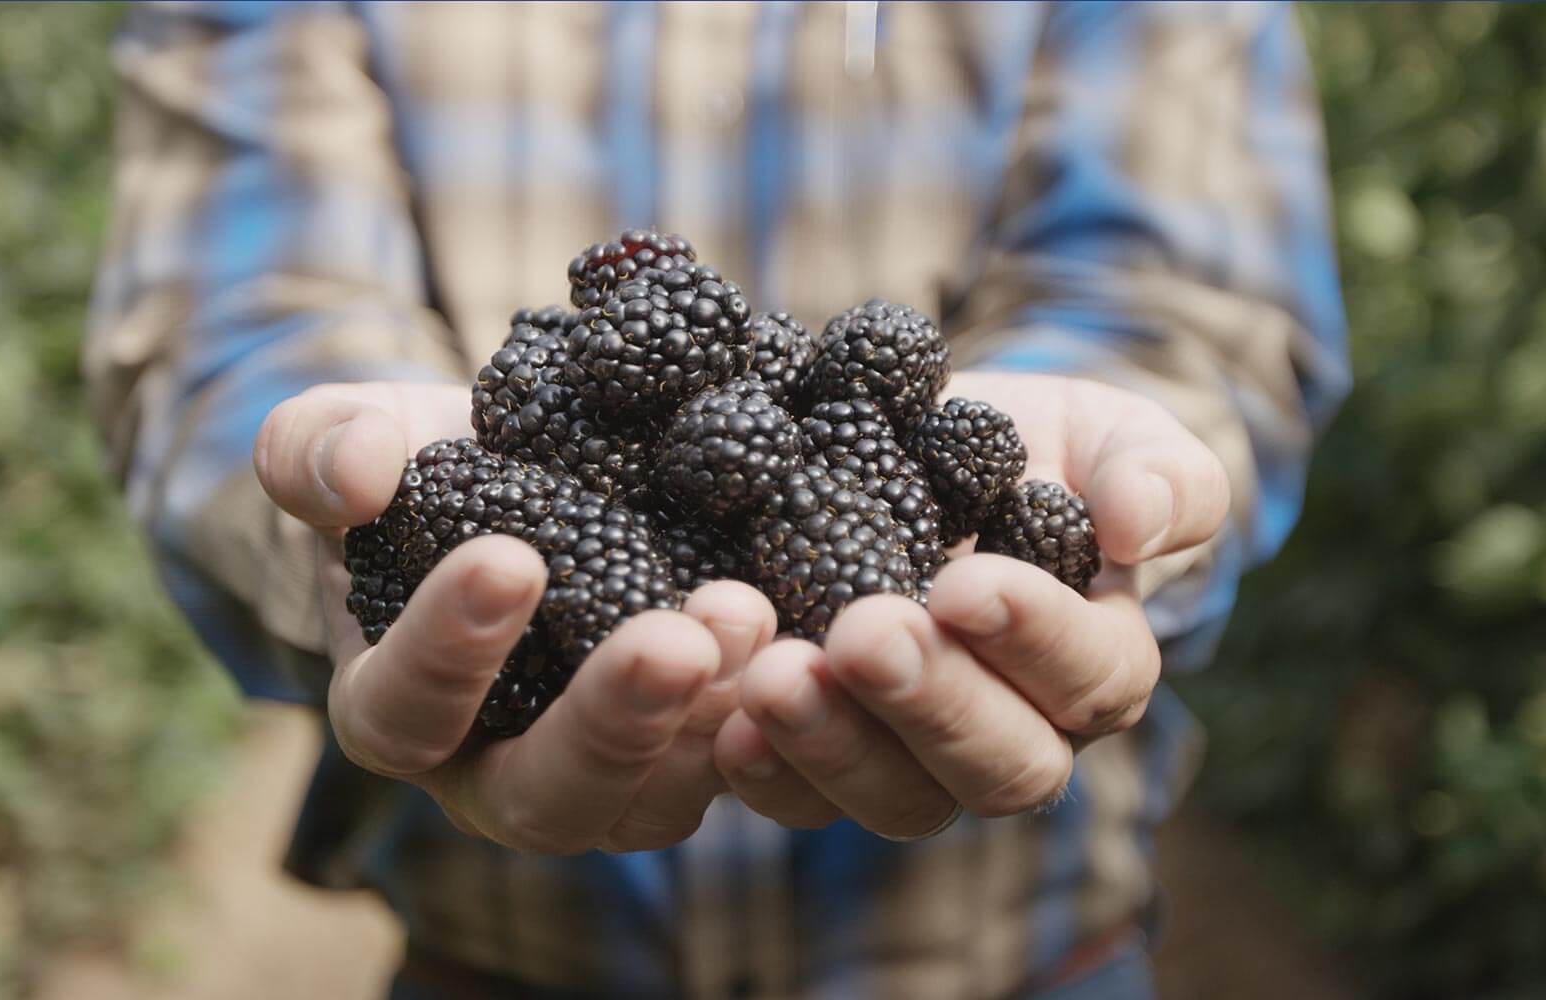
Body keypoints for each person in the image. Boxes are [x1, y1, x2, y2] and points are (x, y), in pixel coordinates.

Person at [86, 2, 1349, 997]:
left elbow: (1180, 302)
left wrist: (1098, 452)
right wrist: (352, 504)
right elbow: (233, 327)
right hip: (496, 960)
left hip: (1032, 958)